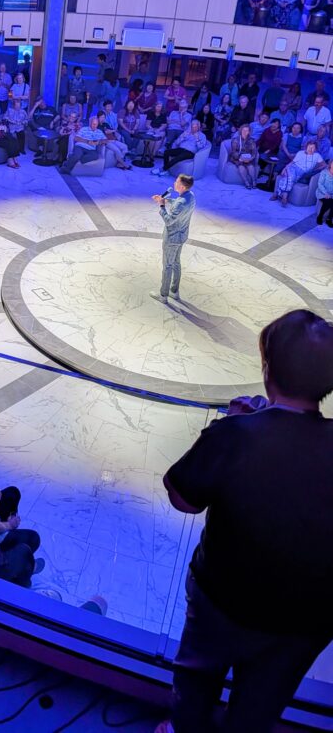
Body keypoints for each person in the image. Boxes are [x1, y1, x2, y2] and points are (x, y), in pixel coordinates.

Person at [157, 310, 333, 733]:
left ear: (267, 369)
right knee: (259, 709)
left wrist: (235, 424)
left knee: (195, 684)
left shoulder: (235, 437)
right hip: (304, 621)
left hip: (222, 603)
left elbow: (182, 497)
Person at [151, 173, 195, 304]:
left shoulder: (180, 203)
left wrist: (162, 206)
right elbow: (178, 203)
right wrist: (164, 200)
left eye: (176, 182)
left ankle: (163, 295)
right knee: (176, 263)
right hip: (182, 236)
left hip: (172, 238)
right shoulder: (190, 196)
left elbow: (169, 221)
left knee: (168, 266)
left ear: (181, 186)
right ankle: (174, 291)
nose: (174, 183)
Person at [272, 140, 325, 207]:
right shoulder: (300, 153)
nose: (310, 149)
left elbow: (324, 165)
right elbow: (292, 163)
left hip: (302, 172)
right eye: (309, 147)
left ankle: (276, 193)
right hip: (294, 167)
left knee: (289, 177)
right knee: (290, 176)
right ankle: (285, 197)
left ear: (316, 149)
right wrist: (284, 169)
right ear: (306, 147)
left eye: (313, 148)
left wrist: (315, 169)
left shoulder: (317, 156)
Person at [316, 159, 333, 227]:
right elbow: (320, 184)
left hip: (332, 194)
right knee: (328, 202)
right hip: (322, 193)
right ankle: (320, 216)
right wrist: (326, 193)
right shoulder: (324, 172)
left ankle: (329, 219)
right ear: (330, 164)